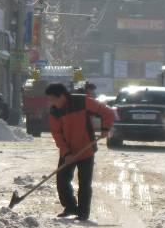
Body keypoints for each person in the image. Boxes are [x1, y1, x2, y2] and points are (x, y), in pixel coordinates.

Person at [45, 82, 115, 221]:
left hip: (86, 148)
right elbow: (57, 135)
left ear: (62, 96)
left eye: (53, 99)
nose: (51, 102)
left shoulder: (82, 102)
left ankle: (83, 213)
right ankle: (70, 207)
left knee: (84, 183)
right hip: (69, 151)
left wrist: (105, 129)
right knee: (62, 181)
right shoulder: (55, 112)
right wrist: (66, 154)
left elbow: (107, 112)